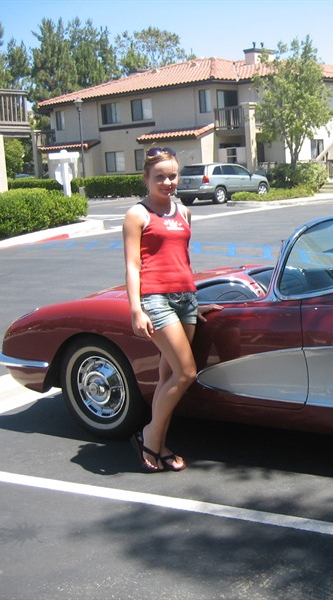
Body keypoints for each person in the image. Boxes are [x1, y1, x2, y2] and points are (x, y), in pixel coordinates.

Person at [123, 146, 221, 473]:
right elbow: (133, 265)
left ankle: (158, 442)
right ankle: (151, 436)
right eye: (160, 177)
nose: (168, 182)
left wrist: (195, 301)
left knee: (167, 376)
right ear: (146, 178)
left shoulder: (184, 212)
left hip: (186, 299)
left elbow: (180, 259)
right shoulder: (137, 214)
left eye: (172, 176)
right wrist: (136, 309)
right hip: (156, 300)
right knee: (186, 372)